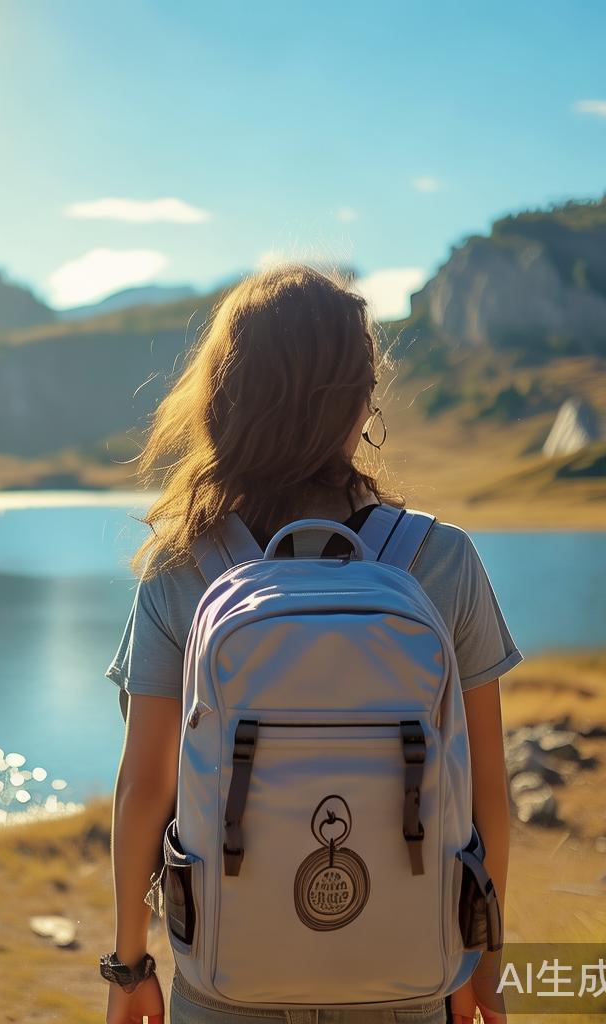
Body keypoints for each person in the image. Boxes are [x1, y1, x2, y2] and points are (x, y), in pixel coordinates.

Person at [101, 264, 521, 1024]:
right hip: (409, 977)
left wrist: (130, 963)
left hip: (226, 981)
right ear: (363, 401)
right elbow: (486, 788)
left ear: (225, 399)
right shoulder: (444, 560)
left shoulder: (181, 566)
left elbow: (143, 793)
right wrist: (480, 960)